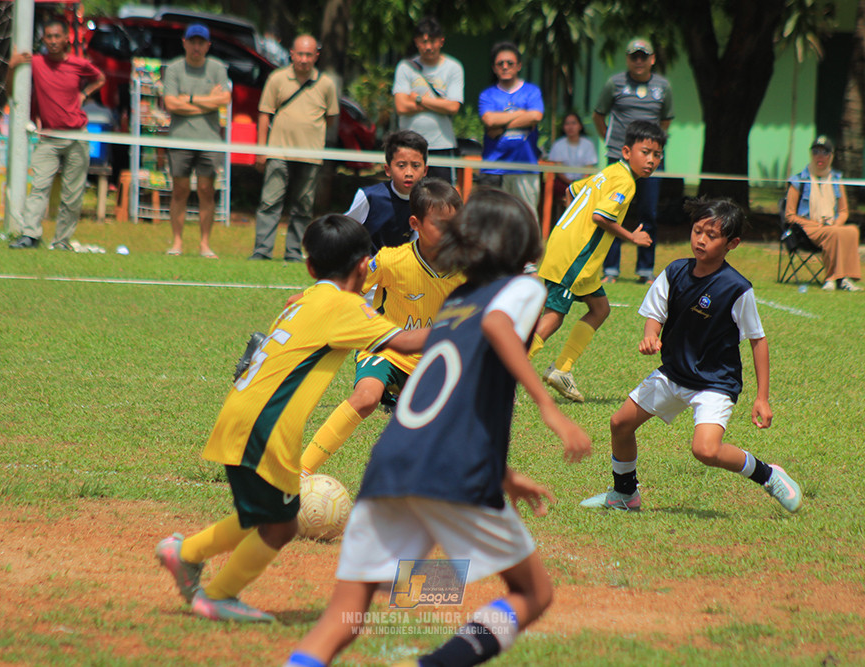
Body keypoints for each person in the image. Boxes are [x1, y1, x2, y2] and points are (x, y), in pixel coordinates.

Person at [285, 188, 591, 667]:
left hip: (393, 462)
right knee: (534, 592)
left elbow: (449, 399)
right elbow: (497, 326)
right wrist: (548, 408)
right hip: (454, 473)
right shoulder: (522, 289)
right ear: (525, 243)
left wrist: (504, 474)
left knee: (345, 614)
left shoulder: (457, 301)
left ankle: (388, 591)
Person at [155, 214, 429, 623]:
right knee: (281, 526)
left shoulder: (305, 298)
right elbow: (405, 341)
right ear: (363, 266)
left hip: (243, 414)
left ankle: (186, 552)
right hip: (266, 426)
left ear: (310, 267)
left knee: (266, 514)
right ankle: (217, 595)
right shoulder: (344, 306)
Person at [580, 198, 802, 514]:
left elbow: (758, 340)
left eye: (712, 236)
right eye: (697, 231)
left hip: (715, 383)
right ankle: (625, 494)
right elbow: (655, 314)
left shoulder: (736, 288)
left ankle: (768, 474)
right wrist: (650, 336)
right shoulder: (675, 272)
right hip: (674, 373)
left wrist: (762, 398)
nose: (701, 240)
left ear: (732, 244)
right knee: (620, 423)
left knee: (706, 450)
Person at [301, 178, 465, 476]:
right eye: (439, 224)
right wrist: (309, 300)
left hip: (433, 361)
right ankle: (301, 470)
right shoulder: (392, 260)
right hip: (386, 349)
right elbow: (345, 286)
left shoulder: (468, 268)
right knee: (366, 398)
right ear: (415, 224)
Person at [531, 120, 666, 403]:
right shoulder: (625, 182)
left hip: (570, 249)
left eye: (657, 155)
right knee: (554, 315)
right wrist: (631, 236)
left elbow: (572, 192)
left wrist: (573, 223)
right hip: (575, 255)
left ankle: (562, 369)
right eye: (645, 152)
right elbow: (600, 217)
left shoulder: (609, 172)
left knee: (600, 308)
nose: (651, 160)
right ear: (627, 151)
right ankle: (508, 369)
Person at [6, 19, 105, 250]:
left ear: (66, 39)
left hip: (77, 136)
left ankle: (61, 241)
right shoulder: (36, 62)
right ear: (43, 39)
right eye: (48, 37)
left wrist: (84, 94)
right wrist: (11, 67)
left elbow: (100, 78)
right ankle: (30, 235)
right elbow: (11, 92)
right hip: (48, 138)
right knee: (39, 187)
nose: (52, 41)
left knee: (72, 195)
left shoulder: (78, 64)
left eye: (57, 36)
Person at [250, 35, 338, 262]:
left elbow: (330, 118)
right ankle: (262, 251)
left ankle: (293, 252)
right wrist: (261, 149)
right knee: (269, 202)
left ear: (316, 56)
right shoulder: (277, 78)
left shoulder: (326, 84)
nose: (304, 59)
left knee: (303, 206)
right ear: (291, 54)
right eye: (300, 54)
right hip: (278, 152)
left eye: (309, 55)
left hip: (310, 155)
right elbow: (264, 114)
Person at [593, 37, 673, 284]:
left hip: (650, 163)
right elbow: (598, 116)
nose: (639, 61)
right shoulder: (614, 83)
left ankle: (645, 270)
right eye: (634, 56)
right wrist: (614, 144)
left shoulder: (663, 87)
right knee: (613, 211)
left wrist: (651, 151)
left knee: (648, 212)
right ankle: (610, 270)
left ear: (652, 59)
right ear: (627, 59)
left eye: (643, 56)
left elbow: (665, 121)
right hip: (619, 158)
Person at [162, 24, 231, 259]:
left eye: (201, 42)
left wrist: (189, 99)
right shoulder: (174, 68)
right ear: (184, 43)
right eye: (192, 42)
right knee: (179, 190)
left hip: (209, 140)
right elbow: (171, 104)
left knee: (206, 190)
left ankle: (205, 244)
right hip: (180, 139)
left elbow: (225, 99)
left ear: (208, 45)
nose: (196, 47)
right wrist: (207, 101)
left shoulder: (217, 68)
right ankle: (177, 243)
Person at [785, 136, 864, 292]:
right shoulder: (799, 180)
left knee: (852, 231)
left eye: (825, 152)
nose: (820, 157)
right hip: (807, 228)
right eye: (816, 152)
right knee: (833, 233)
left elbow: (843, 211)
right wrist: (815, 224)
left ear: (831, 156)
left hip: (831, 225)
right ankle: (832, 278)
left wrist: (836, 223)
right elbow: (790, 215)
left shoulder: (836, 179)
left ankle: (845, 278)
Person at [393, 16, 464, 184]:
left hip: (442, 145)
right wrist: (439, 104)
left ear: (441, 41)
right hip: (409, 146)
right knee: (409, 193)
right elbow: (401, 107)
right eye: (424, 41)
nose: (428, 47)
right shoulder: (405, 67)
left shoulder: (453, 68)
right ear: (416, 42)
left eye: (432, 41)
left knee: (443, 195)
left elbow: (453, 107)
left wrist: (419, 100)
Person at [478, 42, 544, 210]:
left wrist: (502, 127)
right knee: (491, 220)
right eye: (500, 63)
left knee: (526, 217)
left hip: (525, 167)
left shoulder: (531, 91)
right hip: (494, 168)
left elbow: (536, 116)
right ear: (494, 68)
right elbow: (489, 121)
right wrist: (522, 114)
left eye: (510, 63)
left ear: (519, 66)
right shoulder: (488, 95)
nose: (505, 67)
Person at [342, 130, 429, 251]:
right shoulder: (369, 197)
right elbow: (343, 232)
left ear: (425, 170)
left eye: (415, 166)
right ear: (388, 170)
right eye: (401, 165)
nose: (409, 173)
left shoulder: (426, 203)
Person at [547, 111, 598, 219]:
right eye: (567, 124)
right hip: (564, 183)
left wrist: (580, 183)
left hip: (584, 182)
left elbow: (589, 168)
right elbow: (558, 169)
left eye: (574, 123)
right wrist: (571, 183)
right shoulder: (558, 144)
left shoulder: (588, 144)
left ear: (580, 126)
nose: (570, 127)